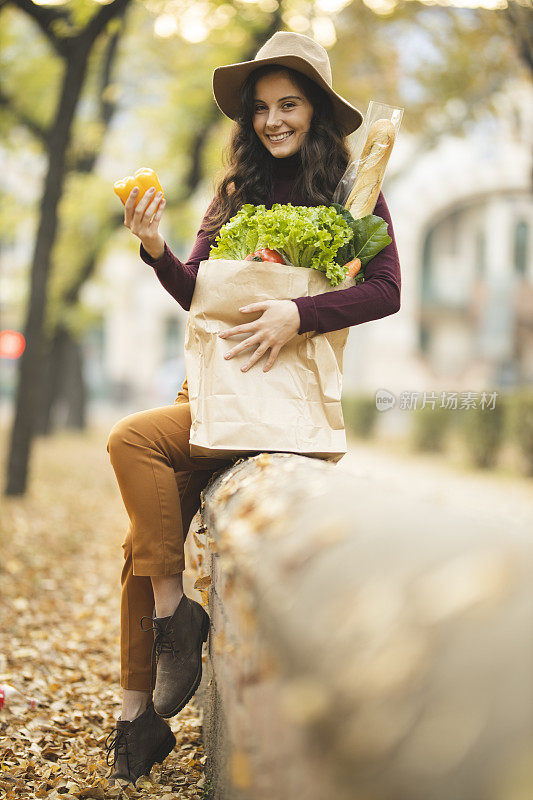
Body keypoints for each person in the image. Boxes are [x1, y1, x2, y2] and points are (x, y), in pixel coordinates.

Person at [104, 30, 401, 785]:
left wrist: (296, 315)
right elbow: (196, 297)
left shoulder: (352, 197)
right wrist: (154, 248)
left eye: (289, 105)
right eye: (262, 107)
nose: (273, 120)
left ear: (318, 113)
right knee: (143, 548)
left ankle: (177, 623)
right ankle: (134, 724)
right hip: (212, 395)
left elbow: (387, 290)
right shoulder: (232, 193)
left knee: (132, 442)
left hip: (282, 407)